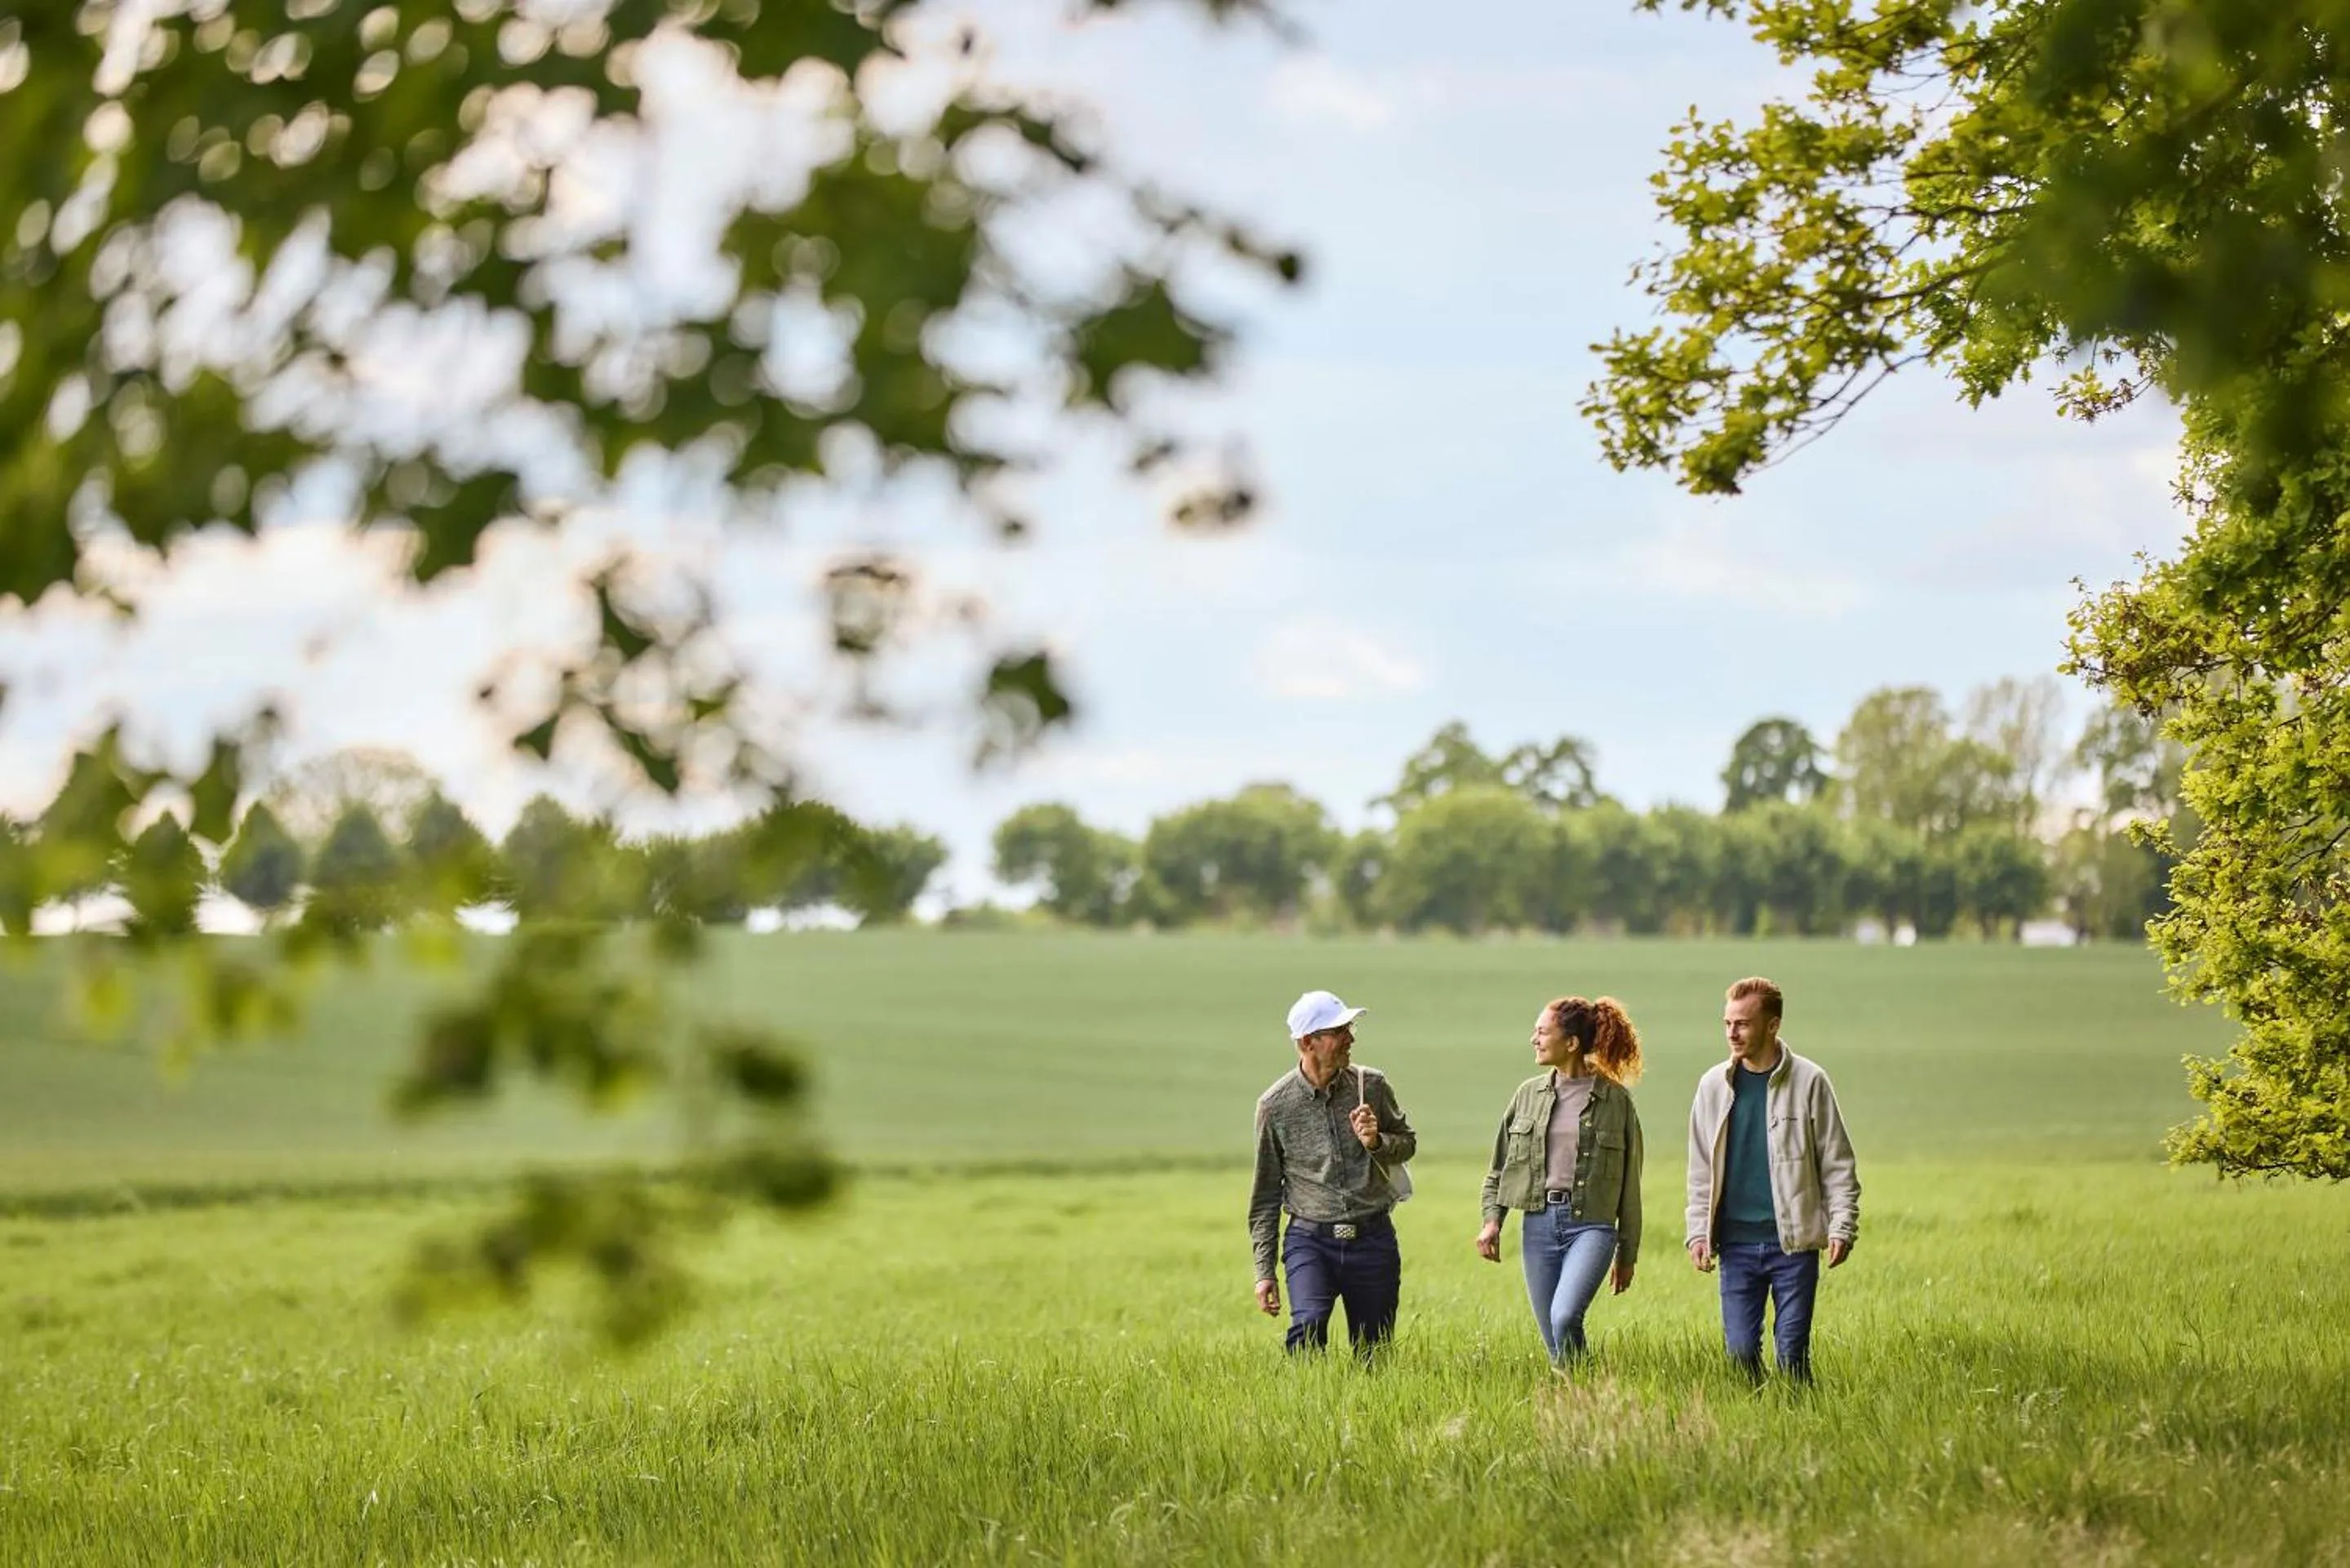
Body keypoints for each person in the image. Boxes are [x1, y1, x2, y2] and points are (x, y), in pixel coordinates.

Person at [1684, 975, 1860, 1384]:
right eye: (1728, 1023)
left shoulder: (1810, 1081)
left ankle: (1799, 1413)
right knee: (1740, 1353)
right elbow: (1699, 1169)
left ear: (1773, 1025)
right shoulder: (1712, 1086)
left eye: (1743, 1024)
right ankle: (1757, 1413)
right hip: (1736, 1245)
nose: (1732, 1033)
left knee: (1792, 1353)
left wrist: (1842, 1226)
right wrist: (1697, 1233)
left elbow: (1837, 1162)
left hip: (1793, 1244)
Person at [1248, 988, 1419, 1358]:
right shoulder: (1274, 1106)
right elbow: (1265, 1196)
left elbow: (1407, 1143)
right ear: (1307, 1042)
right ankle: (1306, 1396)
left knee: (1374, 1350)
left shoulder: (1371, 1086)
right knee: (1308, 1327)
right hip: (1309, 1242)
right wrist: (1264, 1272)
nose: (1350, 1038)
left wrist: (1377, 1142)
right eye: (1339, 1031)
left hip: (1373, 1238)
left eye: (1350, 1029)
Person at [1475, 996, 1645, 1365]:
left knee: (1565, 1316)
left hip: (1592, 1226)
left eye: (1542, 1032)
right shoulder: (1527, 1095)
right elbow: (1500, 1167)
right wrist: (1492, 1222)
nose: (1533, 1039)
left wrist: (1627, 1254)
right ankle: (1579, 1393)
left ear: (1571, 1043)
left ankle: (1580, 1385)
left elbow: (1630, 1186)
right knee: (1554, 1340)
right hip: (1538, 1225)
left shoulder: (1616, 1100)